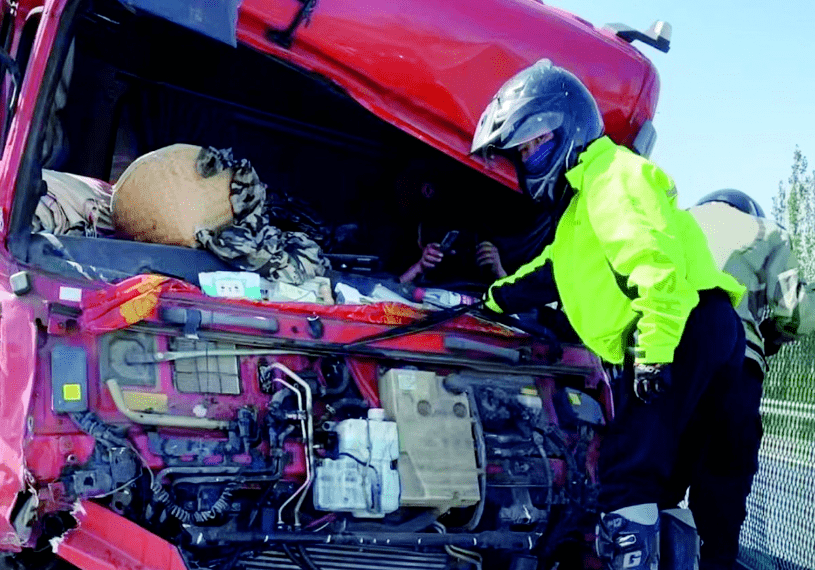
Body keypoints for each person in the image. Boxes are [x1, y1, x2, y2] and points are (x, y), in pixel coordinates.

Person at [471, 59, 748, 570]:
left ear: (571, 126)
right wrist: (489, 301)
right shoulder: (583, 206)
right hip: (700, 327)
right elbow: (547, 271)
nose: (530, 157)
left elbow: (655, 266)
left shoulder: (611, 178)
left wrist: (653, 354)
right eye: (524, 150)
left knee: (625, 475)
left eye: (538, 142)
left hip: (676, 324)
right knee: (663, 486)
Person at [674, 189, 815, 567]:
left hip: (667, 362)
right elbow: (799, 314)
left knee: (655, 486)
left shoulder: (672, 219)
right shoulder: (764, 230)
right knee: (722, 495)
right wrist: (773, 334)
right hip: (736, 369)